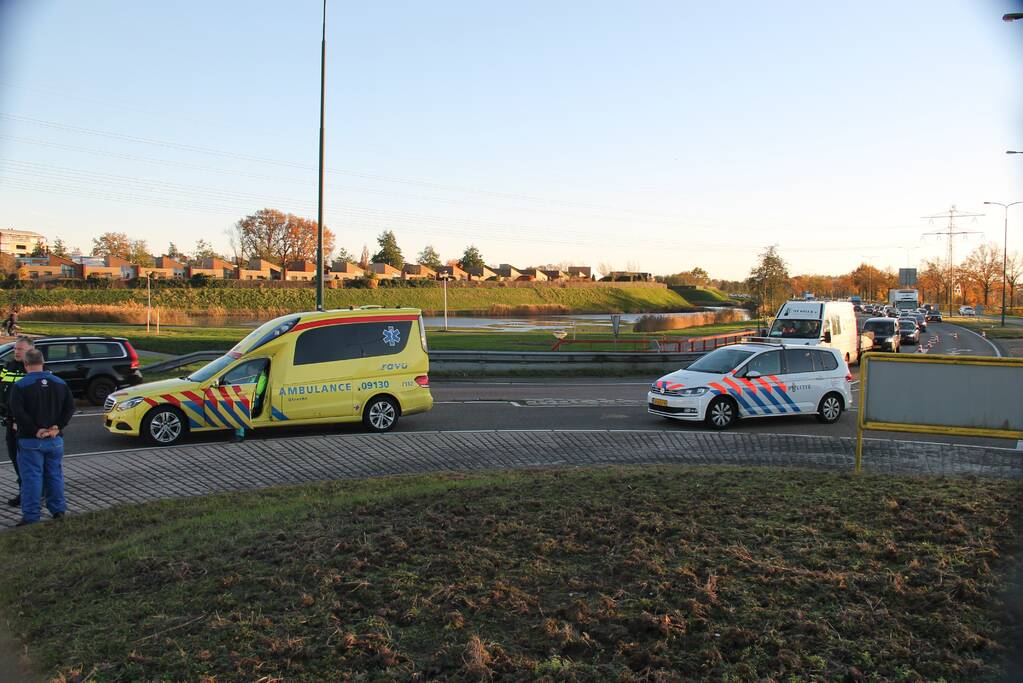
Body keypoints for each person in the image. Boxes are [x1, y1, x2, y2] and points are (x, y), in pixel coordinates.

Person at [7, 348, 74, 526]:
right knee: (55, 475)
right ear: (42, 363)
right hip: (54, 440)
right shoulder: (60, 383)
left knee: (31, 479)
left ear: (25, 364)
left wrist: (34, 430)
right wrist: (57, 427)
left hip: (30, 441)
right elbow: (69, 408)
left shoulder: (20, 386)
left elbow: (18, 412)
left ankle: (31, 517)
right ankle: (58, 510)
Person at [0, 336, 33, 507]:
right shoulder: (9, 367)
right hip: (10, 423)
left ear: (30, 351)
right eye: (15, 349)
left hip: (26, 427)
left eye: (20, 349)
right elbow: (2, 390)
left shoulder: (34, 370)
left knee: (28, 462)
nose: (16, 352)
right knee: (15, 460)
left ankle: (33, 494)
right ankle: (24, 491)